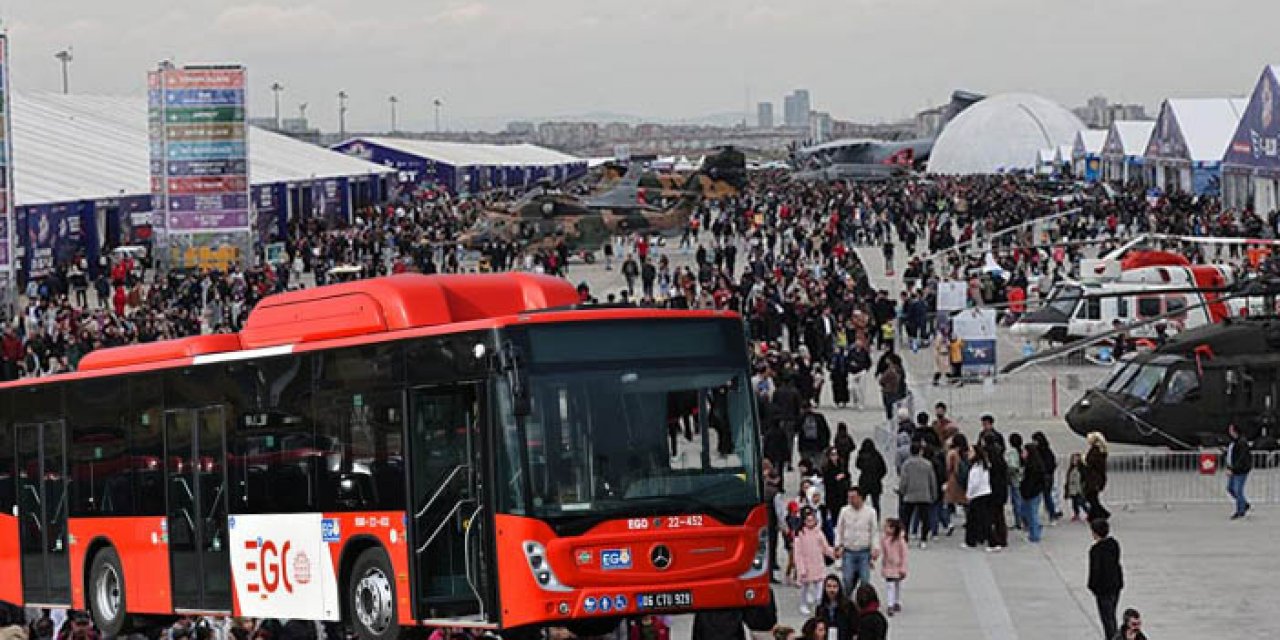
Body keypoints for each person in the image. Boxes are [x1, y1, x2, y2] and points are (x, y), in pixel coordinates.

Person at [834, 487, 880, 593]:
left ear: (861, 497)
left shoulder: (871, 512)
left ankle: (862, 602)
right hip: (848, 551)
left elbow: (874, 532)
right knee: (847, 579)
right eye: (849, 497)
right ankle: (846, 600)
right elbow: (839, 529)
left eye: (853, 497)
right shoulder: (844, 511)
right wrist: (838, 545)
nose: (851, 500)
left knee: (864, 580)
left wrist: (875, 548)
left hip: (864, 551)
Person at [792, 508, 835, 616]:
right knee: (804, 587)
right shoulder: (799, 535)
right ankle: (803, 604)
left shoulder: (819, 533)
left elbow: (825, 548)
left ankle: (819, 605)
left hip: (818, 564)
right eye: (808, 520)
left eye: (813, 520)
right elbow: (798, 554)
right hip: (806, 566)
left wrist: (834, 553)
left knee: (820, 588)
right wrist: (800, 568)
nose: (811, 522)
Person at [1088, 518, 1124, 640]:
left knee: (1107, 618)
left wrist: (1092, 586)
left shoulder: (1096, 550)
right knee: (1111, 615)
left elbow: (1095, 570)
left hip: (1103, 588)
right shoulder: (1114, 544)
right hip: (1115, 585)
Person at [897, 441, 937, 549]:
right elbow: (932, 480)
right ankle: (923, 539)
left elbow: (903, 480)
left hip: (910, 495)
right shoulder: (927, 464)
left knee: (907, 518)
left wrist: (902, 491)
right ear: (921, 451)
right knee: (925, 518)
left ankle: (906, 538)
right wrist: (933, 494)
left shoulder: (907, 464)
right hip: (924, 494)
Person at [964, 443, 993, 549]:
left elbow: (974, 483)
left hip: (978, 495)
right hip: (983, 493)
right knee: (976, 519)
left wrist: (968, 495)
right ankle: (972, 540)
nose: (968, 454)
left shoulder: (978, 467)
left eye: (971, 452)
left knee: (980, 519)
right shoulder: (982, 465)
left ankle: (991, 541)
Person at [879, 518, 908, 616]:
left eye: (887, 527)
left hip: (898, 566)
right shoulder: (884, 539)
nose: (885, 529)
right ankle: (890, 604)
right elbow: (882, 552)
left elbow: (904, 554)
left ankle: (897, 601)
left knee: (897, 585)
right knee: (890, 585)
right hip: (888, 566)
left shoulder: (900, 540)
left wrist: (903, 567)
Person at [815, 575, 857, 640]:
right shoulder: (820, 607)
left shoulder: (848, 605)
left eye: (834, 586)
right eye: (829, 586)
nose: (832, 589)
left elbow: (855, 627)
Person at [1020, 441, 1047, 543]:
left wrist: (1026, 491)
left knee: (1032, 513)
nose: (1022, 454)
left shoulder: (1033, 466)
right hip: (1031, 492)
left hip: (1032, 493)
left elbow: (1031, 482)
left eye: (1024, 451)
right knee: (1028, 513)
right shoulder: (1031, 464)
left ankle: (1035, 535)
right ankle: (1035, 529)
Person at [1225, 422, 1253, 519]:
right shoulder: (1234, 441)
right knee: (1230, 488)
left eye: (1231, 429)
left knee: (1238, 490)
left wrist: (1233, 469)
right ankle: (1243, 503)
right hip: (1234, 468)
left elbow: (1241, 458)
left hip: (1240, 470)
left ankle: (1240, 511)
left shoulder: (1241, 442)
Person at [855, 438, 887, 515]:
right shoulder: (877, 455)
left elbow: (857, 465)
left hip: (864, 481)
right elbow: (884, 469)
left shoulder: (861, 455)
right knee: (875, 503)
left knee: (861, 501)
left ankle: (859, 515)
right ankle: (876, 519)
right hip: (875, 483)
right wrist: (878, 477)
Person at [1084, 432, 1110, 521]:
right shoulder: (1099, 450)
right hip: (1095, 477)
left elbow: (1093, 463)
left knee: (1091, 497)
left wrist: (1084, 462)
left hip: (1094, 478)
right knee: (1092, 497)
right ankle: (1093, 515)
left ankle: (1103, 513)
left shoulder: (1096, 451)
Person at [1065, 452, 1088, 522]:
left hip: (1079, 488)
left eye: (1076, 460)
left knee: (1081, 502)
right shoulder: (1071, 469)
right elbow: (1068, 479)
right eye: (1073, 460)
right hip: (1072, 489)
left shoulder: (1082, 469)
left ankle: (1089, 513)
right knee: (1074, 503)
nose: (1074, 461)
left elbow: (1084, 478)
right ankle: (1076, 514)